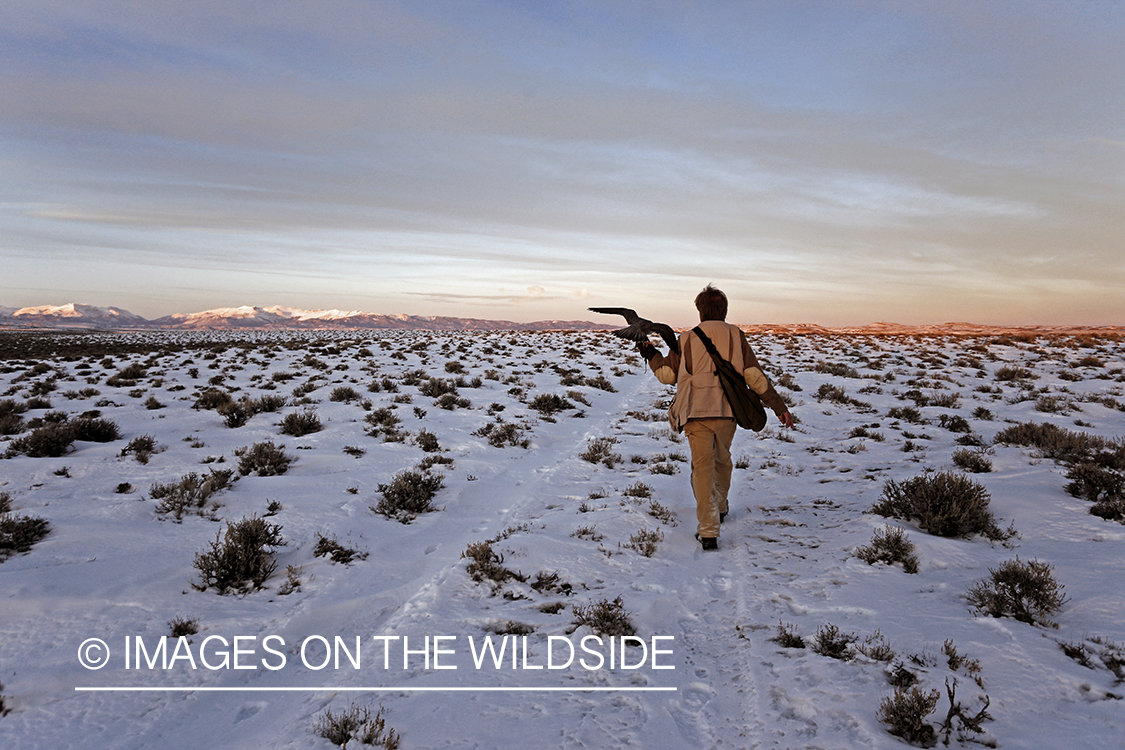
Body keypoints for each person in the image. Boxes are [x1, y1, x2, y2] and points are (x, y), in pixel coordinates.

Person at [637, 285, 793, 551]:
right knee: (723, 460)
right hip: (727, 412)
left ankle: (709, 531)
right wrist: (779, 406)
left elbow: (667, 376)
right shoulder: (736, 336)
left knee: (702, 468)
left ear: (700, 310)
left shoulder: (686, 340)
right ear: (725, 310)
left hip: (694, 412)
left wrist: (650, 353)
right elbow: (754, 377)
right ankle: (719, 508)